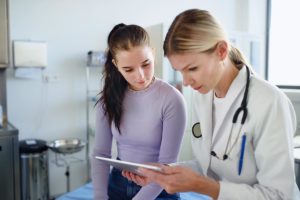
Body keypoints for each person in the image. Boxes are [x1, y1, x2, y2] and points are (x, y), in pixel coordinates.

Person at [123, 9, 300, 200]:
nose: (186, 82)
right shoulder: (204, 96)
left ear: (221, 51)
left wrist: (208, 188)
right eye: (180, 71)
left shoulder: (269, 102)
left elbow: (280, 196)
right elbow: (208, 163)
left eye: (192, 68)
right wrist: (164, 173)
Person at [91, 23, 187, 200]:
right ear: (116, 65)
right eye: (128, 69)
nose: (140, 76)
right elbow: (101, 154)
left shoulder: (172, 99)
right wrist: (99, 196)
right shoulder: (109, 99)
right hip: (118, 184)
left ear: (153, 53)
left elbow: (166, 164)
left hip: (159, 188)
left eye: (146, 64)